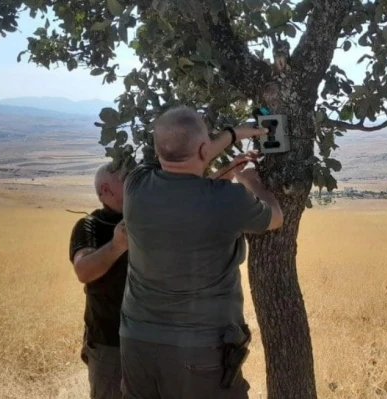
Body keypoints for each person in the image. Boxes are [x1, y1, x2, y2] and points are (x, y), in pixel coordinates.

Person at [119, 106, 284, 399]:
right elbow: (275, 217)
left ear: (158, 150)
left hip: (136, 342)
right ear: (204, 148)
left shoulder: (136, 185)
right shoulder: (228, 199)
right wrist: (250, 181)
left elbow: (186, 169)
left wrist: (232, 136)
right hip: (200, 348)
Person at [69, 163, 129, 399]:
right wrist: (117, 246)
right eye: (127, 179)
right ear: (106, 189)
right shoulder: (89, 225)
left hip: (152, 338)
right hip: (110, 342)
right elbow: (83, 270)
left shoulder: (147, 219)